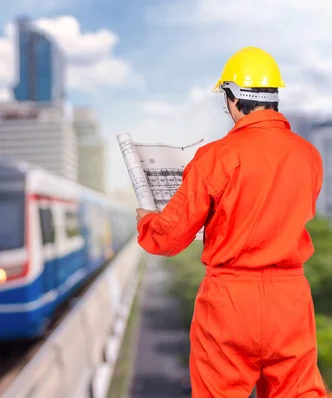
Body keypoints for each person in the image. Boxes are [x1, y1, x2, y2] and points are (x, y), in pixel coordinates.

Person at [135, 46, 327, 397]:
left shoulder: (215, 157)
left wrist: (148, 220)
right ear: (273, 97)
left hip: (229, 302)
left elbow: (168, 238)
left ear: (233, 98)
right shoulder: (309, 156)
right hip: (290, 300)